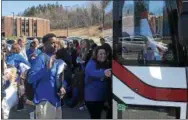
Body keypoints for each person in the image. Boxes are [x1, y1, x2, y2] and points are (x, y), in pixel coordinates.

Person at [28, 33, 66, 119]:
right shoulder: (40, 58)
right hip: (44, 102)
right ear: (44, 45)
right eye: (52, 43)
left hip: (57, 102)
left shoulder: (56, 59)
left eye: (56, 42)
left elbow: (59, 79)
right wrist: (46, 69)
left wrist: (63, 87)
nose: (55, 45)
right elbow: (30, 79)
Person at [84, 46, 112, 119]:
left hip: (101, 98)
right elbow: (92, 72)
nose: (103, 55)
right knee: (95, 116)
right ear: (96, 55)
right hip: (92, 99)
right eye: (100, 54)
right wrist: (103, 73)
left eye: (104, 54)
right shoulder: (91, 63)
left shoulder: (105, 63)